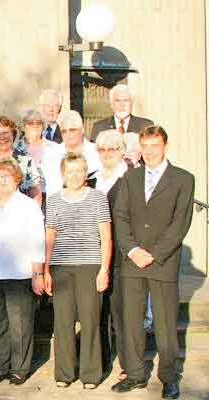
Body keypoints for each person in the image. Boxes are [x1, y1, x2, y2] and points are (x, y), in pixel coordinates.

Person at [111, 126, 194, 400]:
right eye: (145, 146)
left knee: (166, 324)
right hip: (132, 261)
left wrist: (155, 254)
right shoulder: (130, 178)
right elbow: (120, 216)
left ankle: (169, 377)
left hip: (163, 262)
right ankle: (134, 375)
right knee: (132, 321)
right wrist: (132, 249)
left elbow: (179, 224)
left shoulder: (183, 179)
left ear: (164, 146)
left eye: (154, 146)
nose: (149, 151)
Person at [0, 159, 45, 385]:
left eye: (8, 176)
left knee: (20, 324)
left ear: (17, 180)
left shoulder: (28, 205)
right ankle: (1, 367)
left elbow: (37, 239)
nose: (3, 180)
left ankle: (19, 369)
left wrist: (37, 273)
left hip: (20, 273)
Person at [44, 153, 112, 389]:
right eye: (70, 171)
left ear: (85, 173)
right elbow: (50, 237)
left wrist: (104, 270)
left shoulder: (98, 198)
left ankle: (90, 374)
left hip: (89, 267)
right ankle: (64, 373)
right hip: (61, 268)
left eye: (79, 171)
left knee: (90, 320)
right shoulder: (53, 200)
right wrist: (46, 270)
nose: (74, 175)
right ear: (63, 174)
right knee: (62, 322)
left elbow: (105, 237)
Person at [91, 129, 130, 378]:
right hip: (94, 256)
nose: (107, 154)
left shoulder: (132, 179)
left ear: (122, 151)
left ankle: (128, 364)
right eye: (102, 149)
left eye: (112, 148)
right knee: (98, 312)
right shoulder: (90, 180)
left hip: (123, 257)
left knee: (123, 312)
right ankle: (103, 362)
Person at [0, 116, 42, 205]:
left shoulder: (26, 160)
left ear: (13, 134)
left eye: (5, 132)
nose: (2, 137)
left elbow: (36, 193)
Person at [43, 110, 101, 196]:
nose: (68, 134)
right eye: (64, 131)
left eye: (72, 130)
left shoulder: (97, 153)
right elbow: (51, 189)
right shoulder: (51, 155)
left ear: (82, 130)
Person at [19, 109, 61, 194]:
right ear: (23, 127)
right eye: (30, 123)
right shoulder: (15, 150)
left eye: (39, 123)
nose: (35, 126)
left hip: (50, 197)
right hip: (23, 198)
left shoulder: (55, 148)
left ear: (43, 126)